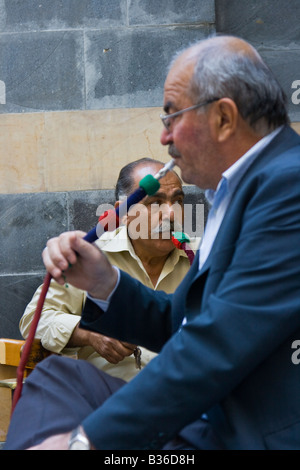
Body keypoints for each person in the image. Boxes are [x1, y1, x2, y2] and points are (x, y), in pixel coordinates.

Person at [5, 34, 300, 451]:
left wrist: (85, 441)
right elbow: (179, 325)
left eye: (172, 116)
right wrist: (105, 283)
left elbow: (214, 347)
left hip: (238, 433)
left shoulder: (288, 187)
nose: (164, 138)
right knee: (59, 377)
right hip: (193, 416)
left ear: (223, 118)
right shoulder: (236, 192)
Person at [19, 157, 197, 382]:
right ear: (122, 214)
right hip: (111, 398)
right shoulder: (92, 257)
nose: (172, 215)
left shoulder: (201, 254)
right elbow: (33, 321)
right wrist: (89, 336)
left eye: (178, 201)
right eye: (155, 203)